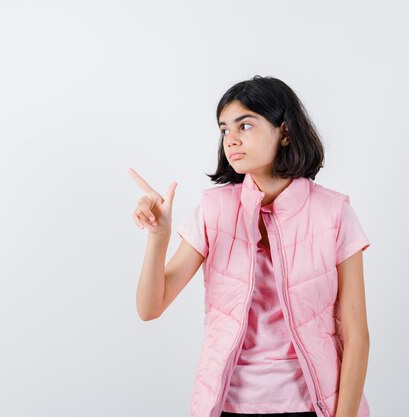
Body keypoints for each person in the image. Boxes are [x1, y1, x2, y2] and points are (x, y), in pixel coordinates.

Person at [130, 75, 371, 417]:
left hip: (313, 407)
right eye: (225, 129)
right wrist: (159, 238)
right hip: (227, 406)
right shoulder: (214, 211)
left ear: (284, 132)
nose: (231, 140)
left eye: (245, 125)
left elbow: (357, 335)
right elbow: (149, 308)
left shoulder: (334, 213)